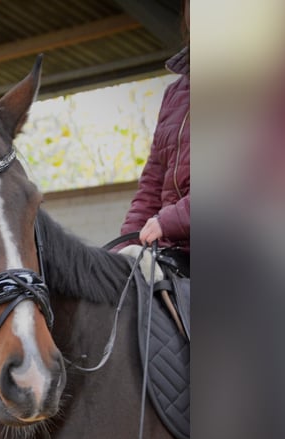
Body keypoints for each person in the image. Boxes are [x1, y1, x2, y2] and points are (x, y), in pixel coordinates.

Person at [113, 2, 189, 278]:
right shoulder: (175, 94)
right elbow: (152, 183)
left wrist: (169, 221)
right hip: (173, 250)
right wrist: (126, 244)